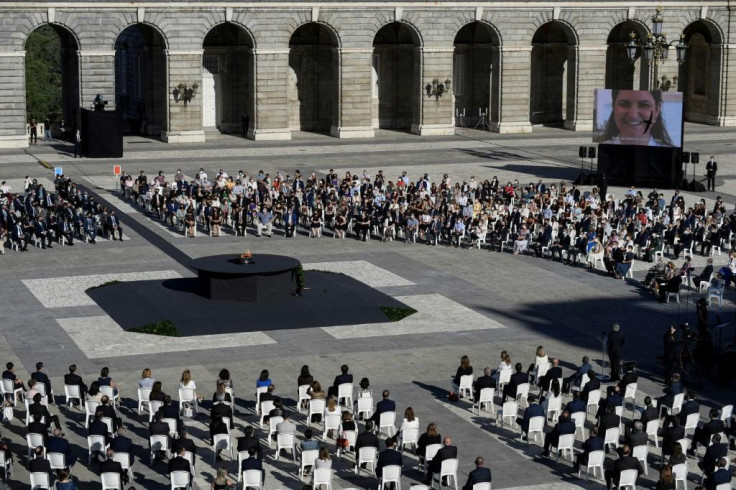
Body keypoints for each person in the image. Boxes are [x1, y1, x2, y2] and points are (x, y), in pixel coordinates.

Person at [595, 90, 675, 147]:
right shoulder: (602, 146)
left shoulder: (670, 151)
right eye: (624, 104)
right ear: (613, 106)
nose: (633, 115)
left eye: (644, 105)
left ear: (657, 110)